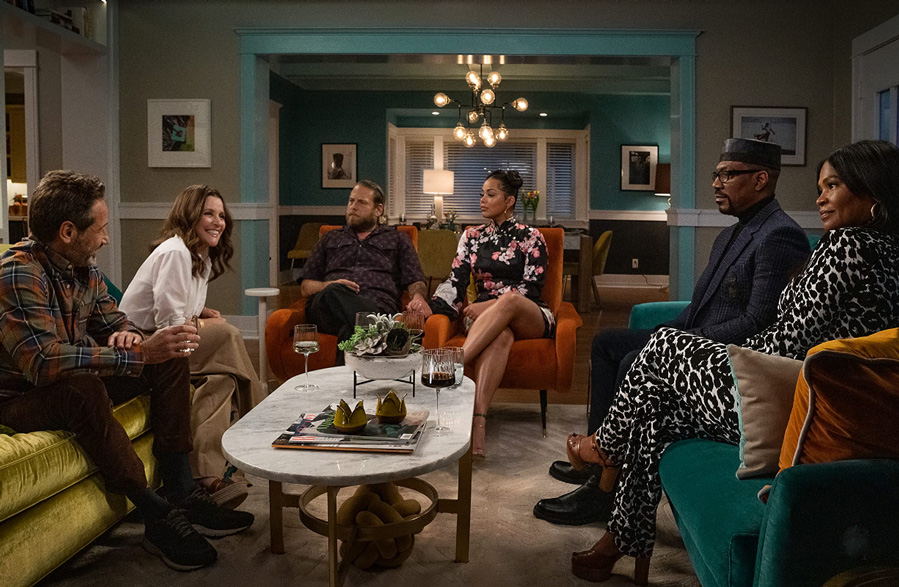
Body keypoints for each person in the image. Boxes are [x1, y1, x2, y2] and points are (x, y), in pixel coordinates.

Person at [565, 140, 899, 584]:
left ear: (872, 192)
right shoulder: (886, 250)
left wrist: (730, 358)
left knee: (663, 345)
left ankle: (605, 447)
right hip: (800, 391)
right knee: (656, 413)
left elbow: (787, 340)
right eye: (820, 187)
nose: (820, 198)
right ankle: (620, 538)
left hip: (790, 397)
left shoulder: (847, 245)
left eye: (833, 186)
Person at [535, 138, 810, 526]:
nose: (715, 183)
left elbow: (757, 323)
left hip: (724, 358)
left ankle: (604, 491)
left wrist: (679, 343)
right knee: (607, 342)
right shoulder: (731, 233)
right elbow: (697, 308)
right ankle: (598, 461)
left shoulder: (779, 235)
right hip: (695, 339)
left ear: (760, 179)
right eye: (716, 174)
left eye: (727, 175)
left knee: (633, 360)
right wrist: (665, 332)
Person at [0, 171, 253, 572]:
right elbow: (44, 363)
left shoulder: (85, 269)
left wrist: (130, 336)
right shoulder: (18, 272)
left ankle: (182, 491)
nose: (106, 238)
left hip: (75, 378)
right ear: (68, 232)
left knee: (169, 353)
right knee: (83, 389)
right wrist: (136, 355)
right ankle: (156, 515)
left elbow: (117, 321)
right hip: (22, 398)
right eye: (100, 229)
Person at [119, 185, 264, 509]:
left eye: (221, 215)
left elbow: (184, 312)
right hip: (146, 342)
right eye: (208, 213)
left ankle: (205, 476)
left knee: (221, 379)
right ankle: (262, 424)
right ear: (190, 216)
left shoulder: (201, 257)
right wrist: (206, 324)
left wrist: (200, 314)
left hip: (173, 338)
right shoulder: (175, 252)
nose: (218, 222)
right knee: (228, 334)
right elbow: (169, 324)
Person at [429, 169, 554, 457]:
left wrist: (489, 305)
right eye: (481, 194)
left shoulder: (531, 237)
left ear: (509, 201)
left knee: (509, 300)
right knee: (501, 336)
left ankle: (453, 365)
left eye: (490, 194)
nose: (482, 200)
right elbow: (456, 282)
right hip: (485, 321)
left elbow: (532, 288)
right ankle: (479, 422)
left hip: (528, 314)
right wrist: (432, 306)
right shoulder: (471, 236)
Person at [301, 179, 430, 349]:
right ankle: (387, 335)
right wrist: (329, 285)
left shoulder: (397, 239)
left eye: (361, 202)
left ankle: (369, 337)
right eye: (351, 201)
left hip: (378, 306)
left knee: (350, 330)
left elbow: (415, 279)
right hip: (326, 308)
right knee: (334, 291)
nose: (353, 207)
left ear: (378, 210)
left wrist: (418, 297)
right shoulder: (330, 238)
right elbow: (306, 287)